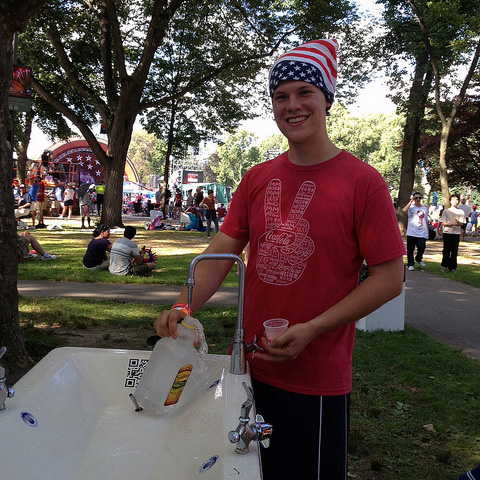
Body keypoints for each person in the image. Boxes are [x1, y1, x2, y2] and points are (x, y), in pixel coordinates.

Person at [154, 39, 405, 480]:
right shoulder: (257, 178)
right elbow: (220, 254)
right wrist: (183, 304)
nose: (292, 105)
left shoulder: (362, 182)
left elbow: (389, 277)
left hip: (317, 378)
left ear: (326, 99)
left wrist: (312, 330)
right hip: (247, 369)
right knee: (250, 470)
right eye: (280, 95)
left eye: (305, 92)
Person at [439, 194, 465, 273]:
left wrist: (458, 223)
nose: (455, 201)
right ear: (450, 201)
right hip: (447, 232)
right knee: (446, 249)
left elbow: (462, 223)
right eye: (453, 199)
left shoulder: (460, 212)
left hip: (456, 233)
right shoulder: (446, 211)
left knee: (454, 250)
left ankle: (453, 267)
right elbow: (443, 223)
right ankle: (444, 265)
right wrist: (451, 224)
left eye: (456, 199)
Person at [402, 192, 428, 270]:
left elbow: (426, 220)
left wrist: (427, 232)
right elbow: (404, 210)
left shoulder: (424, 208)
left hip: (422, 232)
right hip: (412, 232)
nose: (418, 199)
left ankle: (418, 258)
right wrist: (410, 202)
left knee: (422, 246)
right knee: (410, 249)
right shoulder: (411, 208)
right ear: (413, 199)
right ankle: (410, 264)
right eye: (416, 198)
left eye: (419, 198)